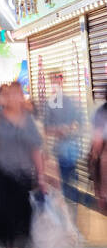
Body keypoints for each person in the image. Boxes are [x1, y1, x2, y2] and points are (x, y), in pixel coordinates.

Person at [0, 82, 47, 248]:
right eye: (10, 95)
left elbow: (36, 150)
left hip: (23, 177)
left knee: (23, 217)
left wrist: (41, 176)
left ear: (22, 97)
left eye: (17, 95)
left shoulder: (29, 122)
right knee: (3, 216)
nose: (13, 98)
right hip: (3, 175)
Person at [42, 72, 83, 205]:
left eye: (58, 81)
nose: (57, 85)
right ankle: (67, 210)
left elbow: (80, 123)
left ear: (62, 82)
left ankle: (71, 209)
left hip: (72, 148)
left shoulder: (71, 101)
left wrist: (72, 127)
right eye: (54, 82)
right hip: (60, 150)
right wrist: (58, 130)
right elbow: (46, 129)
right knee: (65, 183)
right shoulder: (49, 104)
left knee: (71, 181)